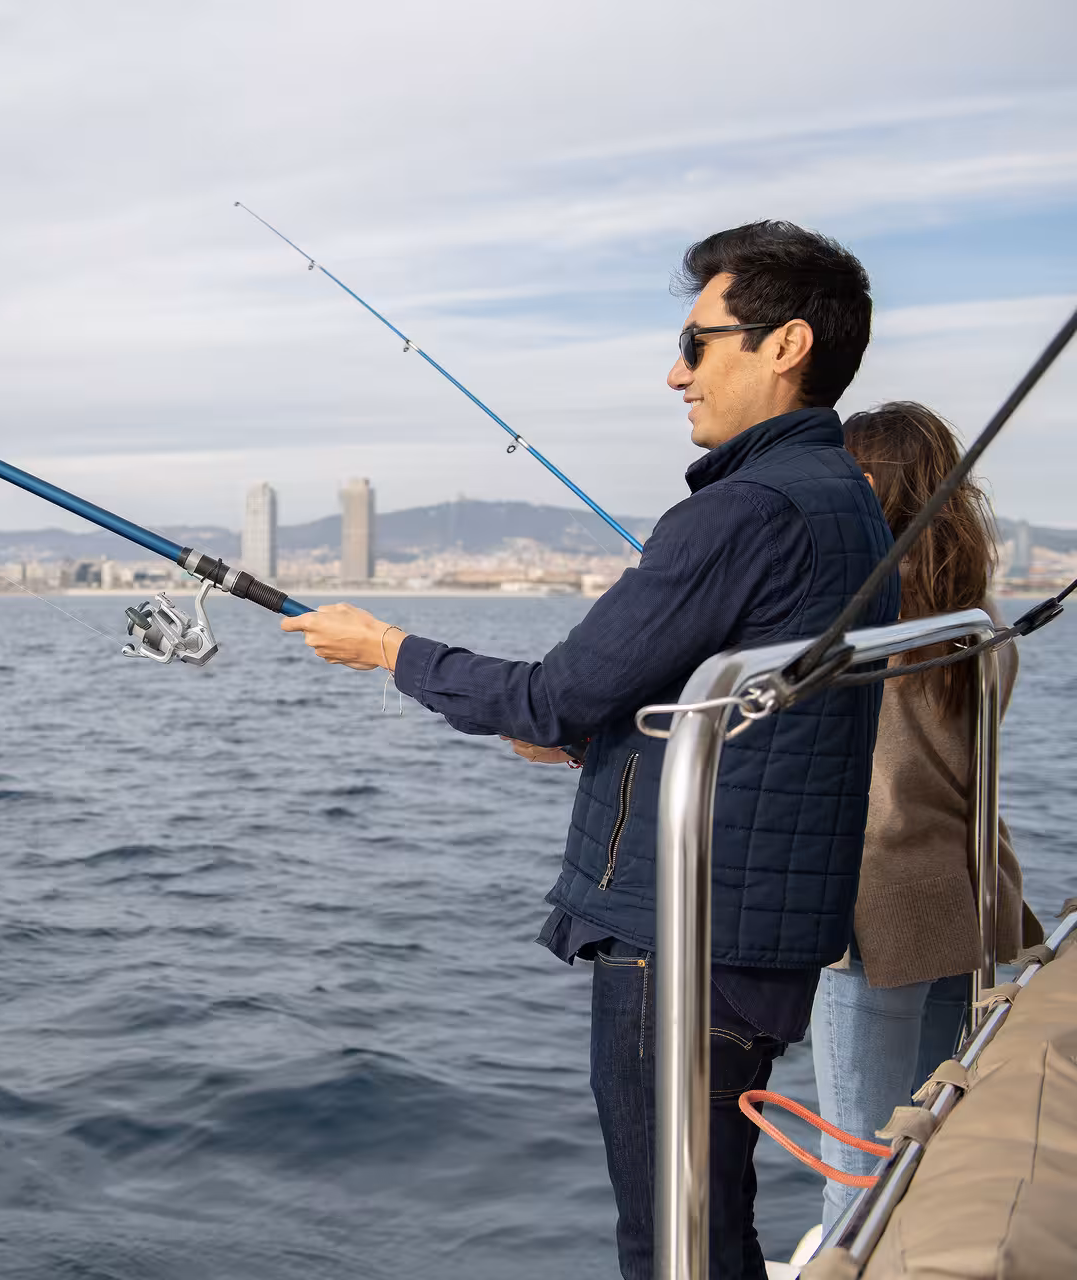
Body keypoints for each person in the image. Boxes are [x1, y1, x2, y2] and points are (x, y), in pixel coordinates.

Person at [281, 220, 897, 1280]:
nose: (675, 372)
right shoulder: (845, 500)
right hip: (758, 922)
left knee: (671, 1237)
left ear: (784, 345)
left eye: (698, 343)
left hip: (687, 928)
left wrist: (389, 647)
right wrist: (594, 744)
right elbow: (746, 705)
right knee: (708, 1218)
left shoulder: (745, 508)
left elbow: (554, 694)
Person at [809, 401, 1043, 1231]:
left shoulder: (858, 624)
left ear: (865, 487)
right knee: (938, 1147)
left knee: (858, 1174)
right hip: (968, 900)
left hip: (880, 915)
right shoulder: (978, 623)